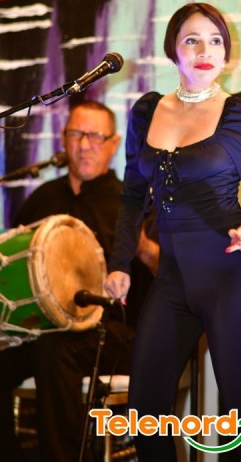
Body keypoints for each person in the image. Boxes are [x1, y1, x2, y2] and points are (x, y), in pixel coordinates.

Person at [103, 2, 241, 462]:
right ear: (174, 50)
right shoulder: (147, 111)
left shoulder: (239, 114)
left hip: (233, 278)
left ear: (225, 53)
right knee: (144, 413)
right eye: (192, 40)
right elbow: (132, 196)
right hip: (172, 282)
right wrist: (119, 262)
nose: (205, 50)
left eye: (215, 41)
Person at [0, 100, 157, 462]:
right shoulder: (43, 199)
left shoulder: (132, 203)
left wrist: (144, 247)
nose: (85, 145)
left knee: (54, 351)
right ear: (63, 138)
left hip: (115, 333)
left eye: (96, 136)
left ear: (113, 144)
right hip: (43, 329)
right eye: (76, 134)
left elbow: (169, 271)